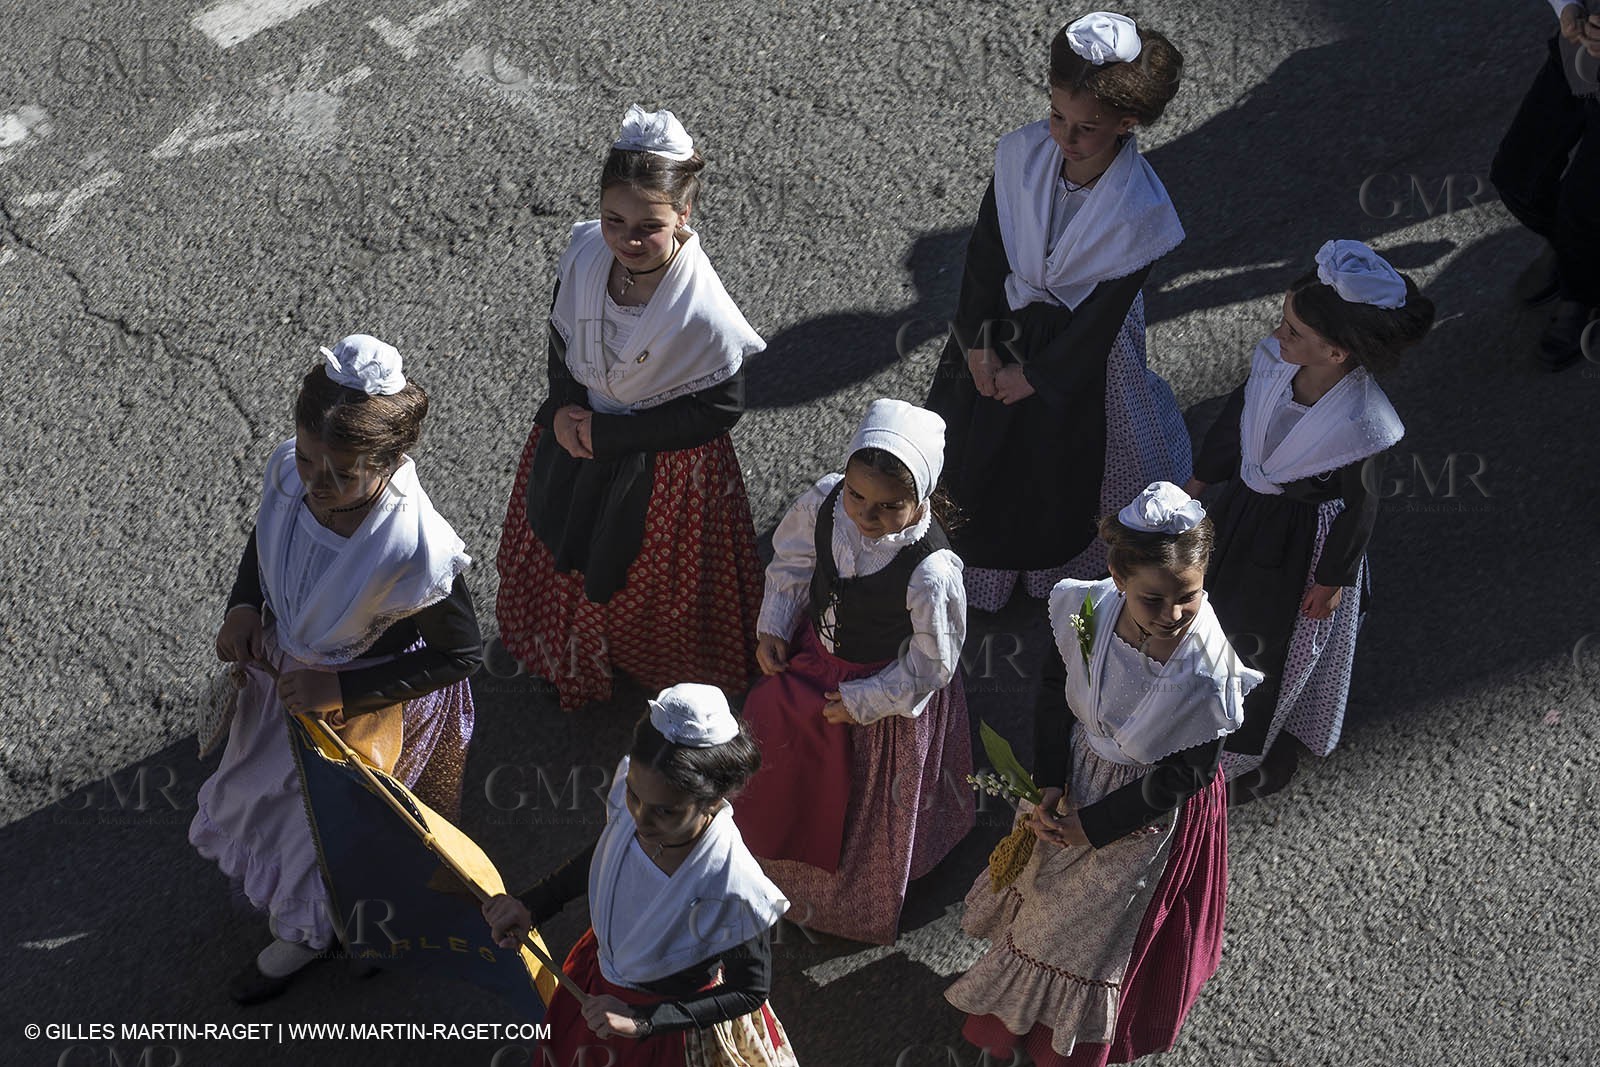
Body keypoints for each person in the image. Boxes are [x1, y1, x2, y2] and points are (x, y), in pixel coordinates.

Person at [192, 335, 481, 1004]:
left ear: (390, 461)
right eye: (305, 457)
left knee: (321, 829)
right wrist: (245, 604)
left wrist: (340, 687)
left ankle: (311, 933)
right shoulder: (292, 474)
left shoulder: (413, 547)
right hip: (288, 680)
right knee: (268, 795)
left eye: (341, 474)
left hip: (363, 708)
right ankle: (329, 919)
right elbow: (269, 535)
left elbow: (461, 653)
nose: (315, 484)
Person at [946, 483, 1261, 1067]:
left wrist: (1094, 826)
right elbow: (1054, 690)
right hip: (1074, 776)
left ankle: (1057, 1048)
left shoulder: (1207, 669)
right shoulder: (1088, 612)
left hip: (1139, 810)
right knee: (1039, 899)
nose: (1172, 615)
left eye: (1187, 597)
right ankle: (1007, 1026)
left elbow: (1189, 773)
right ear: (1118, 577)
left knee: (1085, 932)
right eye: (1153, 599)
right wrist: (1050, 780)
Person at [496, 105, 766, 709]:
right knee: (562, 545)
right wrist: (563, 406)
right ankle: (571, 657)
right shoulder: (586, 252)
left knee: (650, 580)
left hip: (660, 468)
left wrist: (611, 436)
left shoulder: (703, 311)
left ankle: (653, 677)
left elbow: (719, 410)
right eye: (614, 220)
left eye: (649, 226)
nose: (628, 240)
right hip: (577, 433)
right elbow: (561, 335)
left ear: (684, 214)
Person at [926, 10, 1191, 610]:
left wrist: (1039, 377)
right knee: (972, 450)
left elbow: (1103, 316)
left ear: (1126, 124)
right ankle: (975, 570)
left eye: (1086, 128)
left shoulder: (1140, 212)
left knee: (1052, 469)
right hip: (1000, 323)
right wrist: (977, 343)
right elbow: (986, 255)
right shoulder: (1021, 157)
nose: (1065, 138)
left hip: (1077, 352)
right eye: (1057, 117)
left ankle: (1049, 577)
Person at [1185, 241, 1435, 800]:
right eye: (1284, 321)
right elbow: (1236, 423)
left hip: (1296, 544)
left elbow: (1361, 506)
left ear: (1336, 353)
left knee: (1268, 643)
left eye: (1294, 331)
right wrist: (1200, 481)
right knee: (1214, 609)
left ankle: (1242, 749)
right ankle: (1191, 713)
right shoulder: (1275, 366)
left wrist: (1332, 578)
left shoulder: (1360, 422)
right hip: (1244, 512)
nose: (1278, 335)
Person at [731, 398, 974, 945]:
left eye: (889, 507)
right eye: (857, 496)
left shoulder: (930, 572)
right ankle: (764, 863)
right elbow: (794, 564)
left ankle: (848, 898)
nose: (866, 516)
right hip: (816, 656)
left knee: (861, 802)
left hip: (884, 688)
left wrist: (868, 699)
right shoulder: (824, 503)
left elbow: (932, 662)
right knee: (778, 749)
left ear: (921, 500)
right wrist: (775, 624)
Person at [482, 684, 797, 1066]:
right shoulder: (639, 793)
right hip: (601, 987)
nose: (640, 820)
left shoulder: (734, 886)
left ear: (712, 802)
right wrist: (532, 906)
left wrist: (643, 1021)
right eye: (634, 796)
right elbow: (608, 853)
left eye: (665, 811)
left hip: (666, 1034)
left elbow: (749, 990)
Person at [1489, 1, 1600, 369]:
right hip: (1580, 50)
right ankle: (1577, 253)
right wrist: (1568, 6)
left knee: (1582, 208)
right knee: (1516, 177)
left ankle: (1582, 294)